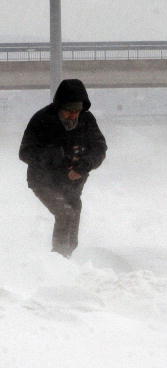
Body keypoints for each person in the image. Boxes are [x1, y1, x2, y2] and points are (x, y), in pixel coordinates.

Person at [19, 79, 107, 258]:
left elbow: (99, 148)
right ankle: (57, 259)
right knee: (65, 213)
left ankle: (68, 257)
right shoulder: (41, 120)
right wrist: (53, 156)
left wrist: (83, 166)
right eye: (69, 111)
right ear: (59, 107)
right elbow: (25, 152)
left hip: (72, 184)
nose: (73, 116)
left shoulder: (87, 120)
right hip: (44, 182)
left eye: (77, 112)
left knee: (73, 216)